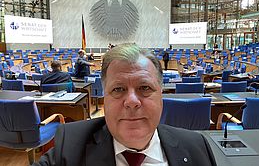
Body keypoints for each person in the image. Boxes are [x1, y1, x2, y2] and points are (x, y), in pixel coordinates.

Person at [33, 43, 216, 166]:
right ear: (105, 98)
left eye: (144, 87)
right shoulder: (71, 147)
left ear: (161, 94)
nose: (132, 102)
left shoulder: (197, 148)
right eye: (118, 89)